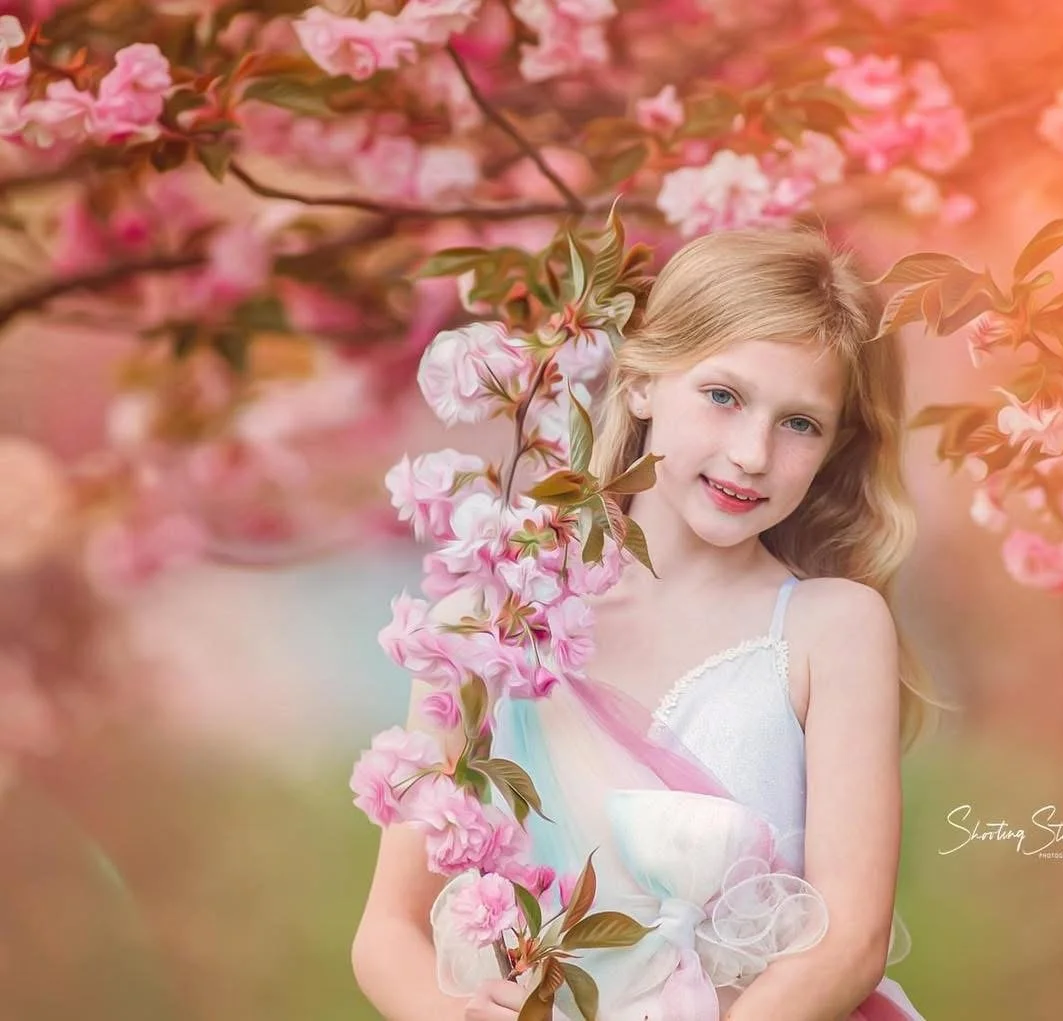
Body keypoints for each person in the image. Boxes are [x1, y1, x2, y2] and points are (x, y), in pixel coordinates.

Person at [353, 225, 938, 1020]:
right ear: (639, 382)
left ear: (835, 445)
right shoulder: (496, 626)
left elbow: (851, 938)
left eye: (799, 422)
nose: (752, 453)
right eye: (723, 396)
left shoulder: (830, 629)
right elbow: (388, 927)